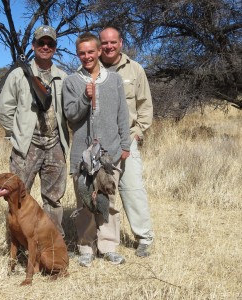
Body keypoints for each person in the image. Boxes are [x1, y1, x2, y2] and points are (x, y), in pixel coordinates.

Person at [62, 32, 131, 267]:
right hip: (82, 153)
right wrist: (84, 97)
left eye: (91, 51)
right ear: (77, 54)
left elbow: (123, 114)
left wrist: (125, 145)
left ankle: (109, 246)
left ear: (99, 51)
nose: (87, 56)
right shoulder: (71, 82)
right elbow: (71, 116)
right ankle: (85, 247)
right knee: (85, 202)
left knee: (108, 199)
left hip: (110, 151)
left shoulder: (114, 80)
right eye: (82, 53)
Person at [0, 25, 69, 237]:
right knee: (17, 196)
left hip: (55, 145)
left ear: (55, 48)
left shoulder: (63, 77)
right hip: (26, 147)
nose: (45, 47)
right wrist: (16, 136)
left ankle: (53, 244)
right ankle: (18, 245)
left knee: (53, 199)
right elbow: (4, 110)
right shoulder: (19, 75)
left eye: (50, 43)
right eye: (41, 42)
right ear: (33, 45)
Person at [99, 26, 154, 257]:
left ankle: (144, 238)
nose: (109, 47)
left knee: (132, 190)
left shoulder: (135, 69)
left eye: (113, 42)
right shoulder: (92, 67)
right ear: (100, 44)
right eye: (104, 43)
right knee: (103, 192)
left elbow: (145, 105)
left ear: (120, 42)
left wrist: (137, 133)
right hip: (100, 142)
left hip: (127, 138)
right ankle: (103, 241)